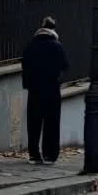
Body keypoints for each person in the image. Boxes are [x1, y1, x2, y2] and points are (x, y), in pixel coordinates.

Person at [21, 16, 68, 164]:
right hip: (52, 89)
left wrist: (28, 83)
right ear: (53, 30)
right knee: (51, 123)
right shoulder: (57, 46)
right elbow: (65, 65)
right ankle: (50, 154)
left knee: (34, 123)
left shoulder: (30, 45)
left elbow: (25, 65)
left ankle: (34, 154)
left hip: (35, 90)